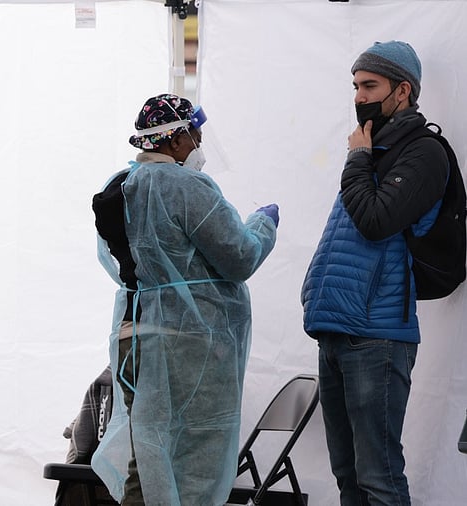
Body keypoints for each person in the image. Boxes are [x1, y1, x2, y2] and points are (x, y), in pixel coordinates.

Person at [90, 93, 279, 505]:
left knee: (148, 454)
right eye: (194, 134)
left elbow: (116, 263)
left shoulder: (118, 188)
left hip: (133, 337)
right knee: (192, 458)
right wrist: (263, 225)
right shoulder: (186, 187)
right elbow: (240, 256)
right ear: (175, 140)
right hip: (187, 345)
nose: (198, 144)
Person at [301, 41, 448, 505]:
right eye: (356, 86)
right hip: (336, 329)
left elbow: (376, 221)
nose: (359, 96)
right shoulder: (374, 148)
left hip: (378, 335)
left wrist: (357, 160)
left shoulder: (424, 153)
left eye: (370, 86)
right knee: (347, 475)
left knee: (379, 477)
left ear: (403, 90)